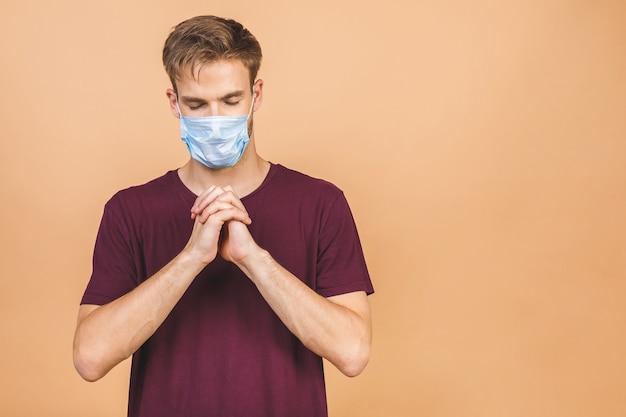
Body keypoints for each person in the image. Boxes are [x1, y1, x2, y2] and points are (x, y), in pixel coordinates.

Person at [73, 15, 374, 417]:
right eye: (197, 104)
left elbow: (353, 353)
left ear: (256, 94)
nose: (215, 120)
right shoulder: (130, 211)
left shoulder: (321, 203)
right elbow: (89, 358)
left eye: (231, 101)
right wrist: (190, 259)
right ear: (174, 102)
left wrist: (254, 259)